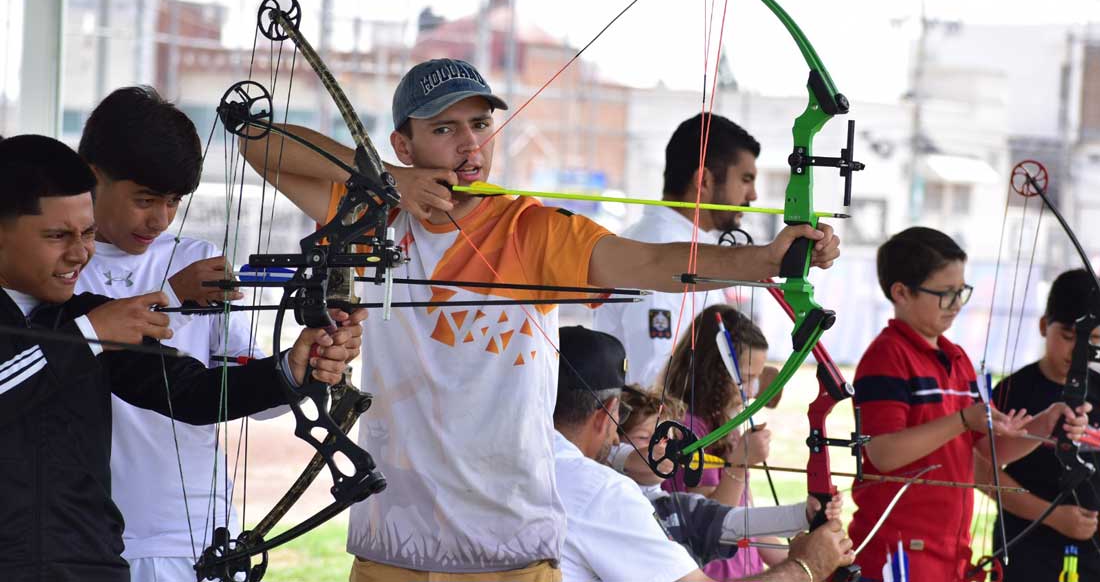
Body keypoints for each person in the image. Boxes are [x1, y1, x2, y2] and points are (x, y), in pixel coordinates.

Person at [234, 57, 841, 580]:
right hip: (393, 545)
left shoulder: (532, 229)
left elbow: (652, 261)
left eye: (479, 124)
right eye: (443, 129)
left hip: (509, 551)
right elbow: (258, 141)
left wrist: (765, 259)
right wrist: (390, 185)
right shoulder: (370, 221)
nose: (469, 146)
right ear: (403, 144)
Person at [0, 134, 362, 582]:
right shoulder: (87, 327)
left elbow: (192, 393)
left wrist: (293, 366)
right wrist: (90, 335)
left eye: (88, 233)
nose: (79, 253)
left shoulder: (81, 317)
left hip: (89, 565)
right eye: (57, 235)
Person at [76, 86, 290, 581]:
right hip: (98, 537)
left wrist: (306, 365)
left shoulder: (196, 257)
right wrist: (172, 296)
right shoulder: (64, 267)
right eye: (145, 199)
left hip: (200, 533)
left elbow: (257, 396)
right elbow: (83, 346)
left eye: (173, 201)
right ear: (92, 178)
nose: (160, 218)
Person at [849, 227, 1089, 582]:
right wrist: (963, 420)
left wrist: (1046, 424)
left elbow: (988, 452)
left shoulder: (957, 359)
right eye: (945, 294)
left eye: (961, 291)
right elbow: (882, 453)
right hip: (897, 556)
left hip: (949, 554)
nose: (958, 304)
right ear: (901, 292)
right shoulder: (886, 357)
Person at [553, 325, 854, 582]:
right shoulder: (601, 492)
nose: (658, 448)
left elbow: (726, 520)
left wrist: (803, 514)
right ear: (606, 419)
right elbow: (623, 463)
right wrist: (806, 566)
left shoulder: (528, 458)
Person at [594, 113, 760, 386]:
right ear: (704, 181)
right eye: (745, 179)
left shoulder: (692, 244)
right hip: (660, 427)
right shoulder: (657, 244)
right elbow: (654, 382)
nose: (753, 195)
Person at [616, 381, 842, 580]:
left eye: (668, 439)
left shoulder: (680, 508)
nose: (663, 447)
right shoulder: (607, 496)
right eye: (644, 438)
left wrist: (805, 514)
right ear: (614, 439)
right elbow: (626, 457)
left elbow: (740, 521)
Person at [986, 269, 1100, 580]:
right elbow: (984, 471)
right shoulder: (1014, 391)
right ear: (1042, 325)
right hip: (1026, 548)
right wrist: (1052, 516)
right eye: (1067, 337)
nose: (1078, 351)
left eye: (1092, 340)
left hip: (1091, 556)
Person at [661, 304, 779, 577]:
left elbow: (744, 515)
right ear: (712, 369)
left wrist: (802, 556)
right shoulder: (684, 430)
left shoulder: (725, 424)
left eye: (756, 380)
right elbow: (708, 522)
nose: (750, 392)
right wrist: (739, 464)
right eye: (744, 378)